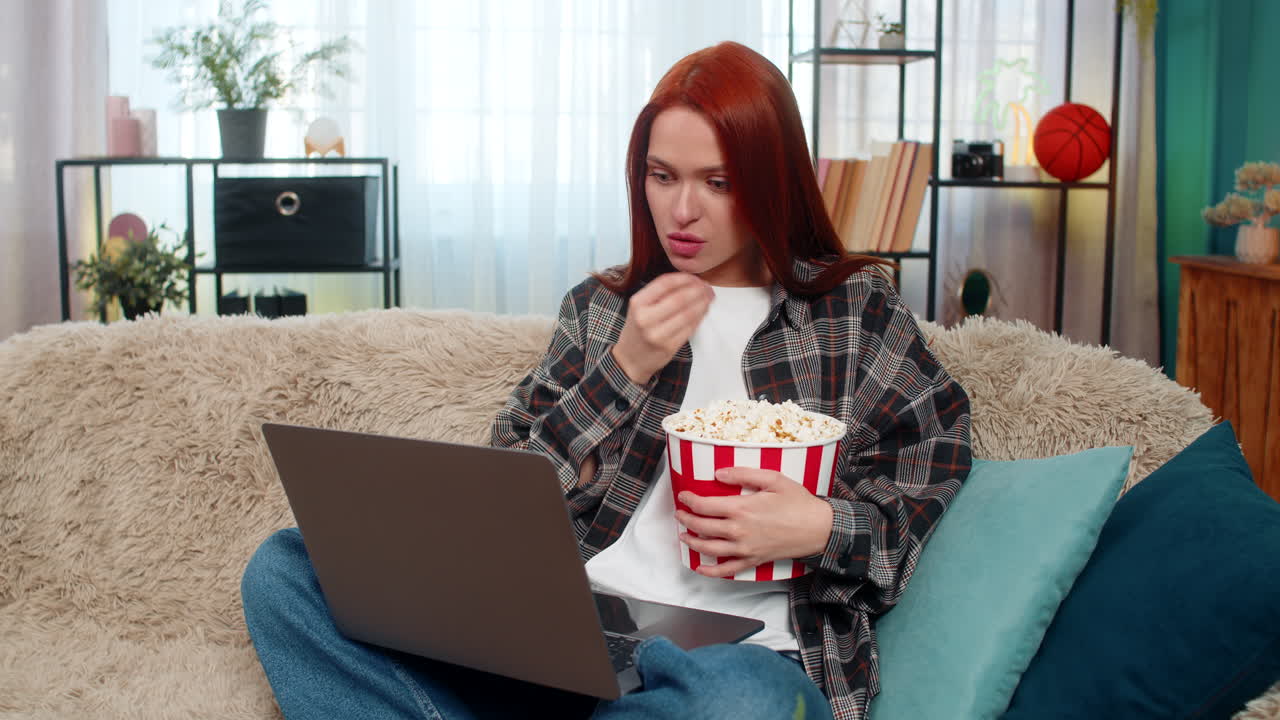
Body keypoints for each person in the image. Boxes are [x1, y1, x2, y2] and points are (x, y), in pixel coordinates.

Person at [241, 40, 971, 720]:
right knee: (287, 570)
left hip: (738, 658)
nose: (681, 211)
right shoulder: (601, 312)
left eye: (717, 182)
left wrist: (820, 526)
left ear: (772, 183)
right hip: (568, 636)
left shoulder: (853, 315)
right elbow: (506, 500)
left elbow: (930, 469)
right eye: (662, 177)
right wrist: (622, 370)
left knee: (744, 698)